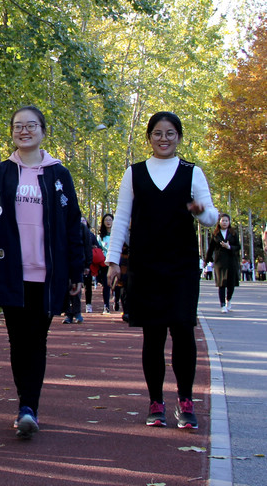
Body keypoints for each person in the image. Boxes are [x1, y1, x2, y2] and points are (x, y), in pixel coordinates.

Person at [0, 105, 84, 440]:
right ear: (12, 132)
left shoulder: (59, 174)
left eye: (31, 125)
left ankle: (28, 406)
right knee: (18, 340)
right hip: (10, 271)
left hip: (48, 274)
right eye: (18, 126)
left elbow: (72, 225)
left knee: (37, 339)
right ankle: (26, 407)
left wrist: (76, 271)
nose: (24, 131)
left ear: (43, 131)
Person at [106, 111, 217, 430]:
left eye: (170, 133)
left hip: (181, 266)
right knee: (152, 335)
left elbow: (211, 217)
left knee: (183, 331)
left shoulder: (192, 172)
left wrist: (201, 212)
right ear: (149, 137)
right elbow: (121, 219)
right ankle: (156, 402)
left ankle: (186, 401)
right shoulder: (134, 173)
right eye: (157, 133)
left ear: (178, 137)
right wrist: (113, 262)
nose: (163, 139)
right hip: (145, 264)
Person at [205, 213, 240, 313]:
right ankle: (222, 305)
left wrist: (229, 247)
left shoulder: (233, 233)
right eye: (222, 221)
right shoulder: (216, 234)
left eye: (226, 221)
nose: (224, 222)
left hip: (231, 261)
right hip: (220, 261)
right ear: (219, 222)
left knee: (231, 284)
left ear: (229, 222)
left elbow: (238, 246)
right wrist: (207, 260)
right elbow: (211, 248)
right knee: (222, 283)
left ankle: (228, 299)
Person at [64, 217, 94, 324]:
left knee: (76, 287)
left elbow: (87, 246)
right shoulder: (61, 225)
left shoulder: (82, 227)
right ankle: (68, 313)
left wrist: (87, 265)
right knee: (66, 287)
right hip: (64, 262)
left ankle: (77, 313)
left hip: (78, 262)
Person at [98, 214, 114, 314]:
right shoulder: (100, 236)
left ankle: (116, 301)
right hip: (105, 263)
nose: (108, 222)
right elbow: (98, 248)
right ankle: (106, 306)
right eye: (106, 220)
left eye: (110, 220)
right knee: (106, 285)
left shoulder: (116, 235)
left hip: (115, 262)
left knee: (117, 285)